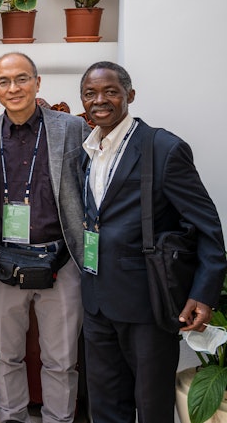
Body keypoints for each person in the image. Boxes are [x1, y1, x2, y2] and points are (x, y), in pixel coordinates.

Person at [78, 61, 226, 423]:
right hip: (97, 303)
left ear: (130, 95)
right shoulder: (87, 151)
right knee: (105, 404)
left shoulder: (164, 148)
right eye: (90, 93)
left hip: (148, 303)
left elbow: (207, 226)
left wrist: (204, 294)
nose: (100, 100)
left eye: (110, 91)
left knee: (152, 406)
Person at [0, 52, 88, 423]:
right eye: (3, 82)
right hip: (5, 263)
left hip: (61, 261)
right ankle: (11, 417)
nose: (13, 88)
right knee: (5, 354)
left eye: (22, 79)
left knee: (61, 359)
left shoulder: (71, 128)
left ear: (38, 82)